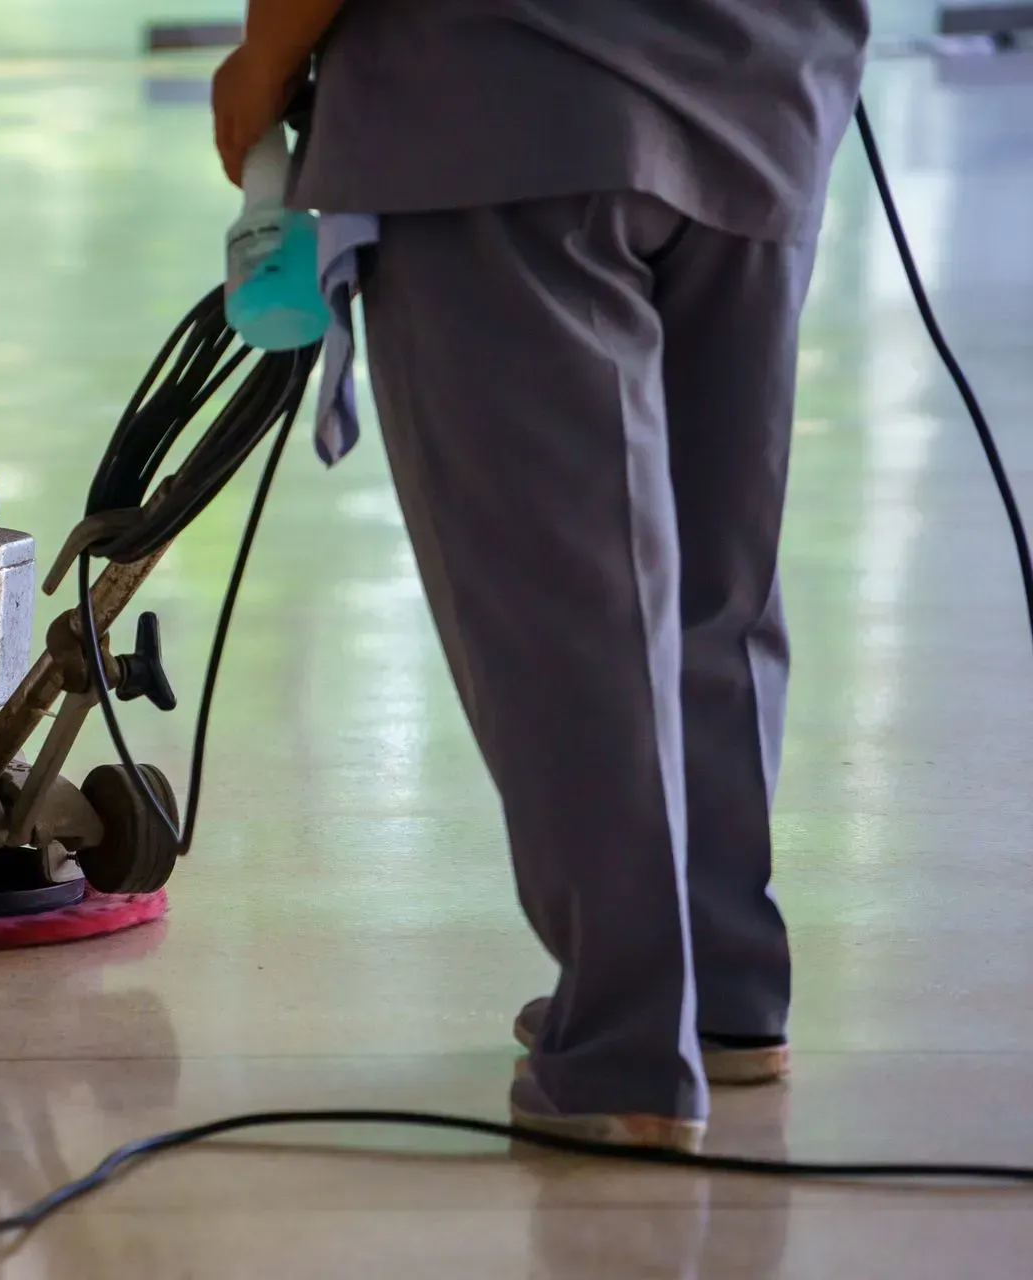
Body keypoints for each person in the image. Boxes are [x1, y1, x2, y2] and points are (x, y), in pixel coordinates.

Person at [212, 0, 871, 1152]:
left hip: (499, 97)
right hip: (764, 89)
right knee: (716, 583)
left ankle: (626, 1048)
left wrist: (264, 62)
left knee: (568, 599)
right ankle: (720, 994)